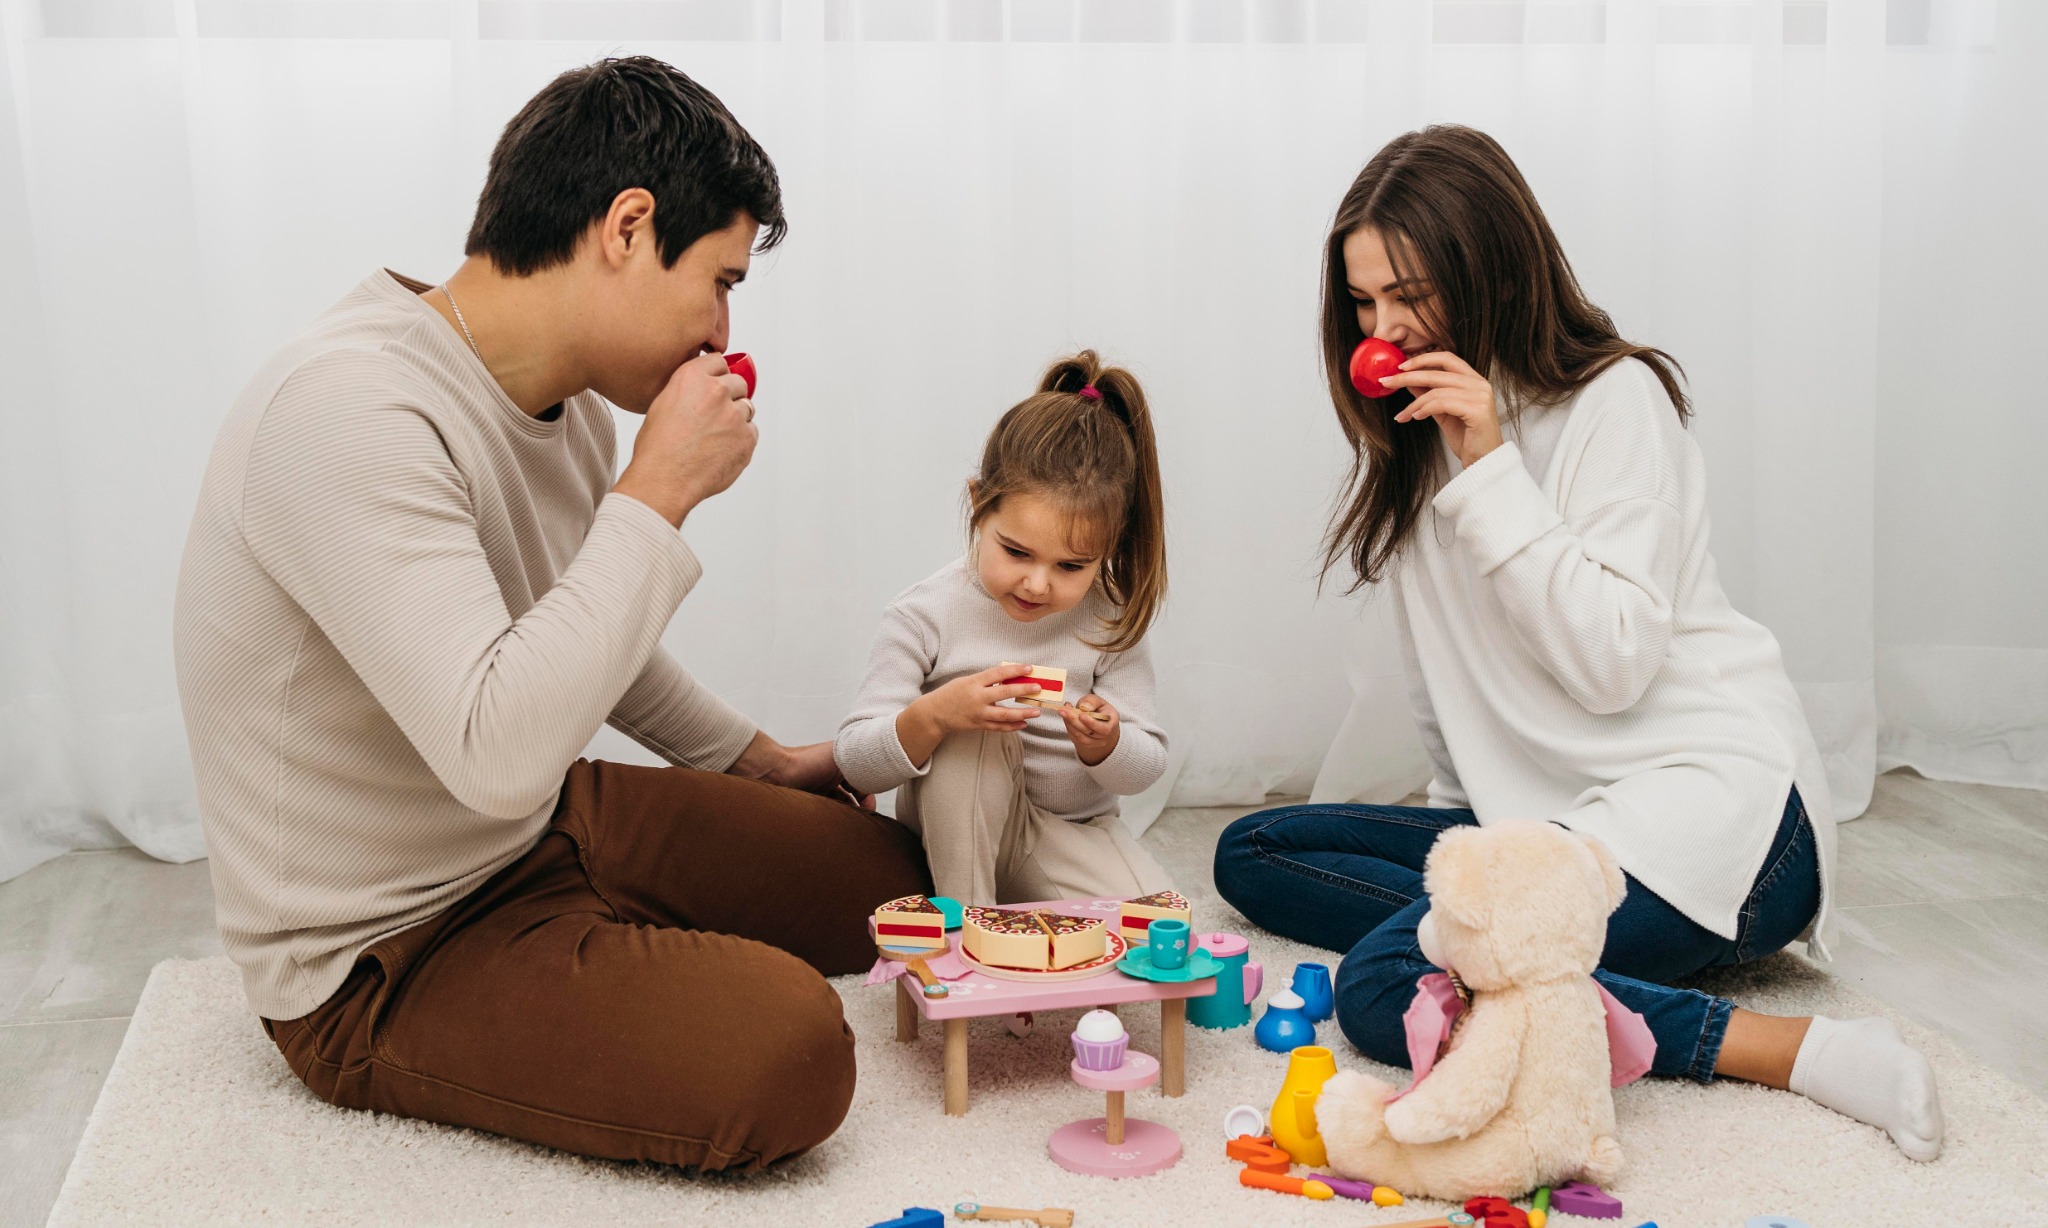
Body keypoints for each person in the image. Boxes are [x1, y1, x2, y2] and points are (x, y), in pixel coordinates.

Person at [171, 57, 932, 1171]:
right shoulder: (347, 412)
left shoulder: (559, 397)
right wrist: (657, 492)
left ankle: (607, 944)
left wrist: (759, 763)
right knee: (791, 1052)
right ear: (627, 226)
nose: (722, 334)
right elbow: (494, 751)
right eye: (718, 279)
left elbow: (578, 633)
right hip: (386, 950)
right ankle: (586, 974)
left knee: (895, 883)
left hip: (536, 825)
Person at [1212, 125, 1944, 1161]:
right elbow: (1448, 684)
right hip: (1550, 819)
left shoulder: (1614, 402)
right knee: (1256, 850)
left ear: (1489, 267)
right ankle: (1537, 946)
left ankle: (1783, 1047)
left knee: (1382, 983)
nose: (1381, 328)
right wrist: (1465, 851)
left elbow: (1609, 666)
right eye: (1364, 302)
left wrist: (1490, 465)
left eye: (1406, 295)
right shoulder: (1418, 436)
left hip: (1718, 811)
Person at [835, 351, 1175, 906]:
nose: (1038, 585)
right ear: (978, 507)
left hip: (1069, 833)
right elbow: (857, 762)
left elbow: (1144, 769)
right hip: (957, 839)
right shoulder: (922, 615)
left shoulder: (1110, 618)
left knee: (1158, 942)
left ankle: (1010, 909)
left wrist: (1106, 742)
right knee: (973, 727)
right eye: (1016, 552)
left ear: (1106, 550)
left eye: (1071, 566)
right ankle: (968, 922)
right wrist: (937, 713)